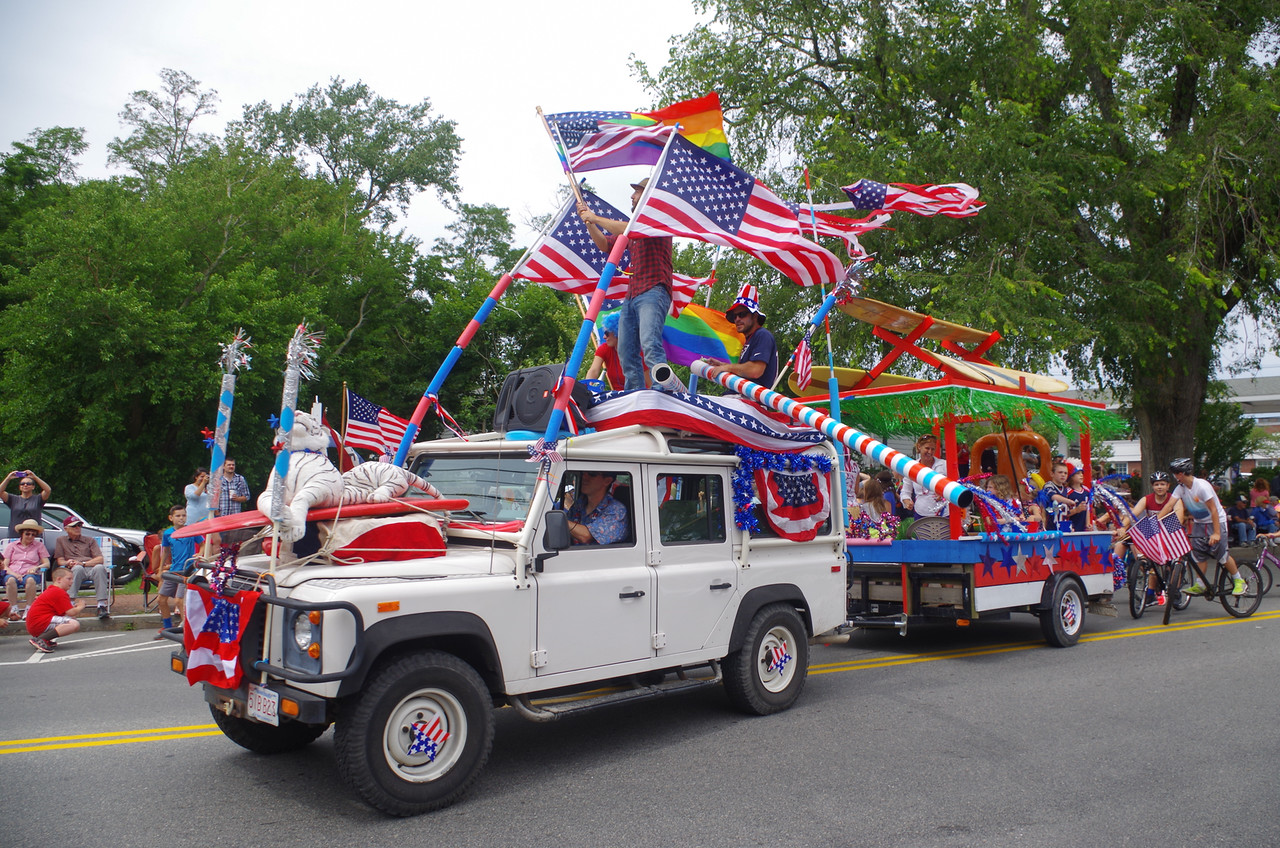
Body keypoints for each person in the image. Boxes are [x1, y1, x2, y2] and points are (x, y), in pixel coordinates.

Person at [577, 179, 676, 391]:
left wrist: (594, 216)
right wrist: (589, 222)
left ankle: (662, 388)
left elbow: (629, 231)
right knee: (626, 350)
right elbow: (604, 244)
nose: (631, 196)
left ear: (648, 195)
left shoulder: (656, 219)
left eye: (637, 192)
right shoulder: (633, 228)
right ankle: (634, 393)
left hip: (654, 289)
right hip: (633, 296)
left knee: (649, 342)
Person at [1158, 458, 1246, 596]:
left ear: (1181, 473)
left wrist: (1217, 533)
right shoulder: (1181, 488)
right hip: (1200, 523)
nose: (1174, 476)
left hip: (1216, 521)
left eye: (1175, 473)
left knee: (1221, 555)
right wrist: (1156, 522)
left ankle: (1239, 580)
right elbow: (1169, 506)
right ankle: (1201, 584)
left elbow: (1214, 510)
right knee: (1198, 554)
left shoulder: (1202, 486)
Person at [703, 283, 778, 389]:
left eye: (742, 314)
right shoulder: (750, 339)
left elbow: (755, 371)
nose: (737, 319)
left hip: (750, 401)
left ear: (755, 316)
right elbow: (744, 372)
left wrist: (727, 367)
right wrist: (722, 365)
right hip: (739, 399)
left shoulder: (763, 335)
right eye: (734, 316)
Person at [157, 505, 204, 635]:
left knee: (179, 600)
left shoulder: (191, 530)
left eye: (183, 515)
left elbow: (203, 544)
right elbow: (165, 551)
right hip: (174, 570)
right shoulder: (168, 533)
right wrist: (161, 569)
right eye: (178, 516)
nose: (181, 518)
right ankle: (167, 625)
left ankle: (187, 630)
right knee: (161, 599)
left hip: (187, 570)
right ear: (171, 518)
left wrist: (199, 553)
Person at [54, 516, 110, 619]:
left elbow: (99, 559)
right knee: (77, 569)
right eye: (74, 526)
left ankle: (101, 605)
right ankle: (69, 604)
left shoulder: (90, 540)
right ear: (66, 528)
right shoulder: (60, 540)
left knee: (100, 568)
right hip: (73, 570)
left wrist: (83, 563)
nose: (77, 528)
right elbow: (59, 560)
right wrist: (67, 562)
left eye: (79, 525)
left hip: (89, 567)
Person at [25, 566, 84, 653]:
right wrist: (80, 606)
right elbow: (71, 612)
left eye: (72, 579)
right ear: (59, 579)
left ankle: (45, 638)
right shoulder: (59, 592)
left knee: (70, 620)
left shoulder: (52, 590)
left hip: (35, 624)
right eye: (69, 579)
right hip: (40, 622)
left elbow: (63, 611)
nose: (72, 581)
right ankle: (41, 639)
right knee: (74, 624)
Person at [565, 471, 628, 545]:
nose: (584, 477)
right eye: (583, 474)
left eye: (592, 474)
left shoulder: (617, 510)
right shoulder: (581, 503)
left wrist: (560, 521)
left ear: (607, 481)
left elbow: (585, 536)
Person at [4, 519, 50, 620]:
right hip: (13, 572)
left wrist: (37, 567)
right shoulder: (12, 546)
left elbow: (47, 563)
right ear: (22, 534)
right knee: (10, 580)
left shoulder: (39, 546)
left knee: (30, 580)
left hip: (30, 573)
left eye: (33, 535)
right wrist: (15, 574)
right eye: (27, 534)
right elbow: (4, 565)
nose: (30, 536)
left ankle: (29, 608)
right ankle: (14, 608)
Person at [900, 435, 949, 518]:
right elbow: (905, 491)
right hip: (921, 513)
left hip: (943, 513)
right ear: (919, 447)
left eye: (932, 449)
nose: (930, 452)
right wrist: (907, 501)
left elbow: (955, 484)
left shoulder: (944, 465)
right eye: (927, 448)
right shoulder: (911, 467)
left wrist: (944, 493)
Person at [1, 469, 51, 539]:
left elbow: (48, 490)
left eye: (28, 484)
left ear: (33, 487)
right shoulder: (13, 499)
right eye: (22, 483)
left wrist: (35, 477)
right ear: (19, 487)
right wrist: (8, 478)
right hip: (15, 535)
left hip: (33, 536)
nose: (25, 485)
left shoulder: (38, 499)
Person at [584, 311, 625, 390]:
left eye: (607, 333)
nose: (604, 337)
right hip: (618, 397)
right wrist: (587, 388)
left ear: (618, 332)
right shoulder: (604, 349)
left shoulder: (637, 351)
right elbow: (594, 370)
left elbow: (648, 380)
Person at [1037, 461, 1074, 531]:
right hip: (1050, 526)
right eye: (1060, 472)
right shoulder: (1048, 486)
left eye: (1065, 473)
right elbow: (1054, 497)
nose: (1063, 475)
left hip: (1063, 525)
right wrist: (1069, 501)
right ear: (1052, 474)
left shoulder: (1066, 490)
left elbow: (1068, 511)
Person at [1065, 467, 1091, 531]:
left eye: (1082, 473)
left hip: (1083, 526)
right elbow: (1063, 513)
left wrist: (1088, 523)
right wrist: (1076, 510)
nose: (1081, 475)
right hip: (1072, 527)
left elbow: (1087, 508)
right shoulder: (1067, 492)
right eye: (1078, 473)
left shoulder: (1086, 490)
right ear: (1071, 477)